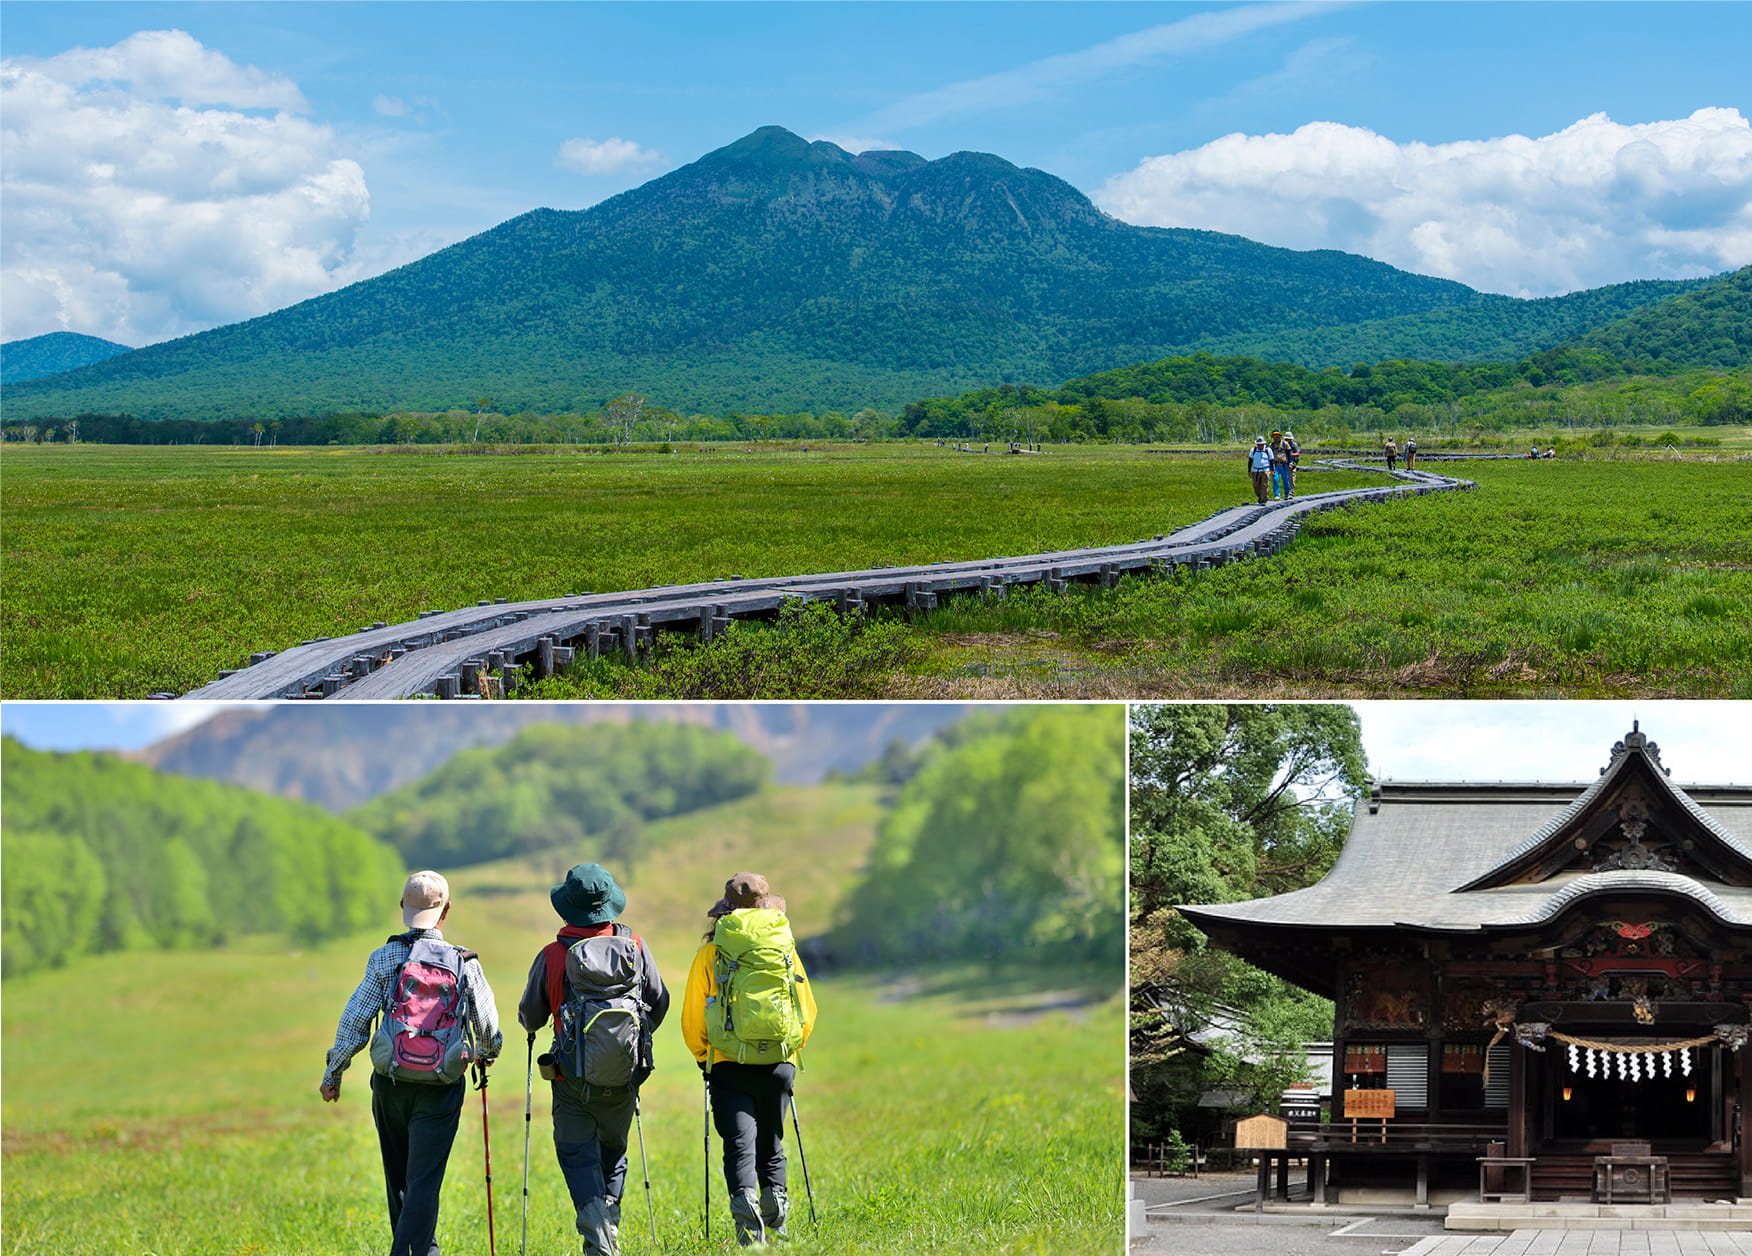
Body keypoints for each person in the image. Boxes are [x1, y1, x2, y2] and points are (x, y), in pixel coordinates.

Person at [321, 871, 503, 1256]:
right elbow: (487, 1025)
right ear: (446, 909)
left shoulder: (385, 957)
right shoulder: (464, 962)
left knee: (399, 1179)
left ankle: (418, 1250)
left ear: (403, 908)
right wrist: (487, 1052)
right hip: (441, 1085)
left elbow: (355, 1019)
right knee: (424, 1180)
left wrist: (334, 1072)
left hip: (391, 1083)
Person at [519, 863, 669, 1256]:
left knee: (575, 1153)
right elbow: (660, 1001)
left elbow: (530, 1016)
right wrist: (632, 1037)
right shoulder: (634, 946)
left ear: (569, 907)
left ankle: (600, 1241)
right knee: (613, 1153)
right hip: (625, 1075)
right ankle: (606, 1232)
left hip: (570, 1081)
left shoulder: (553, 955)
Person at [683, 873, 818, 1246]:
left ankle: (750, 1234)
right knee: (772, 1144)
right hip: (779, 1063)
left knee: (738, 1147)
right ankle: (779, 1224)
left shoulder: (711, 954)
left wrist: (703, 1057)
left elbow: (693, 1017)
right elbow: (806, 1008)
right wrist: (790, 1049)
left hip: (728, 1063)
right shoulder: (783, 947)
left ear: (725, 912)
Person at [1246, 437, 1272, 504]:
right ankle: (1260, 497)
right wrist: (1249, 470)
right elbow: (1250, 460)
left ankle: (1264, 499)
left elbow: (1272, 460)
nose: (1260, 445)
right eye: (1258, 444)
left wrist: (1272, 470)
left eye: (1261, 444)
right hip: (1256, 470)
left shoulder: (1267, 450)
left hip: (1265, 470)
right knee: (1256, 486)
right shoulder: (1253, 450)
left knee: (1264, 485)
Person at [1278, 429, 1300, 499]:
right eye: (1287, 439)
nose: (1288, 440)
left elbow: (1298, 453)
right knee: (1285, 479)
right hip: (1284, 464)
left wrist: (1290, 454)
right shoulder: (1283, 445)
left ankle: (1291, 492)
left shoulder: (1294, 445)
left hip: (1293, 463)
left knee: (1292, 478)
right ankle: (1286, 493)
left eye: (1289, 439)